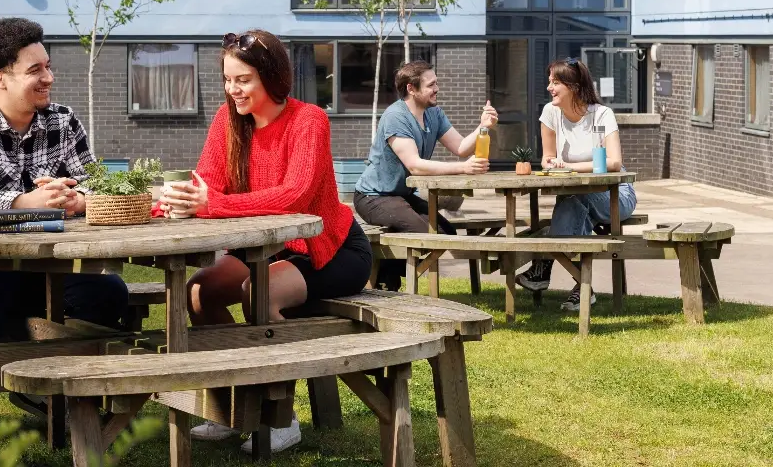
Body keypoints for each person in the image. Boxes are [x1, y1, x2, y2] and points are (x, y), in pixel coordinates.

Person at [162, 29, 370, 454]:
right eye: (227, 79)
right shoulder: (227, 121)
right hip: (266, 247)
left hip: (328, 248)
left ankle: (281, 416)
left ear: (271, 77)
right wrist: (177, 200)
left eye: (243, 80)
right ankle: (234, 408)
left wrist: (212, 204)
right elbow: (210, 184)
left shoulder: (308, 120)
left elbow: (296, 195)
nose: (232, 89)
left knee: (257, 291)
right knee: (197, 293)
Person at [0, 17, 128, 437]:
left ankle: (62, 393)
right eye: (35, 70)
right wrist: (21, 202)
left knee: (110, 296)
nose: (48, 77)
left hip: (45, 265)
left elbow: (97, 185)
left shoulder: (63, 122)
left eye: (47, 67)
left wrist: (79, 199)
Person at [352, 60, 498, 290]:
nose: (437, 89)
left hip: (401, 197)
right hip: (373, 197)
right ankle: (387, 278)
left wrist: (483, 126)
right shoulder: (395, 117)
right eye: (431, 85)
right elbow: (415, 166)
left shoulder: (434, 114)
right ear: (411, 88)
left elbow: (460, 147)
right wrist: (463, 168)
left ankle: (386, 275)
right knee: (423, 232)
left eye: (436, 83)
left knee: (445, 232)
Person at [515, 57, 637, 312]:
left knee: (573, 202)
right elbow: (547, 159)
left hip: (615, 195)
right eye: (549, 81)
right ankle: (583, 288)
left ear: (574, 86)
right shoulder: (550, 113)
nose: (549, 87)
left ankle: (544, 267)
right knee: (573, 203)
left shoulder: (601, 115)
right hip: (575, 194)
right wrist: (551, 164)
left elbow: (613, 163)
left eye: (556, 82)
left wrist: (568, 167)